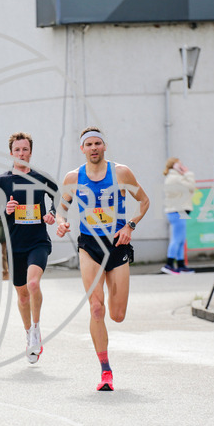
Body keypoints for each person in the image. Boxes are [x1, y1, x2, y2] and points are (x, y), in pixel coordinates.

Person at [55, 126, 150, 391]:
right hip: (90, 246)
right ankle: (105, 370)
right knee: (96, 308)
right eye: (89, 144)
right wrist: (61, 223)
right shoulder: (73, 177)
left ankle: (112, 303)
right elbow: (61, 209)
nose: (94, 148)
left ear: (104, 146)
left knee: (117, 315)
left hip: (117, 245)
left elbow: (144, 201)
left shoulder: (120, 172)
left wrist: (130, 225)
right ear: (82, 149)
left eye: (98, 143)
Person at [0, 131, 58, 363]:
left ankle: (36, 329)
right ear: (11, 153)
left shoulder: (41, 177)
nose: (21, 153)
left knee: (33, 283)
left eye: (25, 149)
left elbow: (60, 195)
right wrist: (5, 209)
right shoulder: (3, 181)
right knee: (22, 294)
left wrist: (53, 213)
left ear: (30, 152)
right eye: (17, 150)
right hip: (15, 245)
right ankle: (28, 333)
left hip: (38, 241)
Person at [162, 157, 197, 274]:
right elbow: (191, 187)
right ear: (174, 166)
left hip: (177, 211)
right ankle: (169, 264)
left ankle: (181, 265)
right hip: (177, 211)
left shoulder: (175, 177)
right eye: (179, 164)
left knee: (181, 239)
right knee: (177, 239)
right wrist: (188, 173)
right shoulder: (175, 178)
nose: (182, 166)